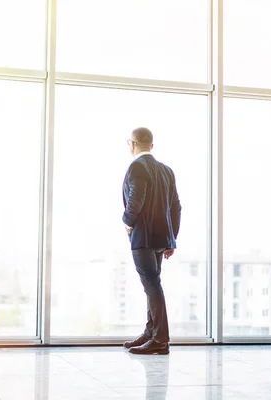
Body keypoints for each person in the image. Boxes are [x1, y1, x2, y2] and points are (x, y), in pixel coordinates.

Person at [122, 127, 181, 355]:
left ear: (133, 144)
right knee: (152, 284)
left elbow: (136, 198)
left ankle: (160, 339)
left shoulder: (137, 166)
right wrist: (171, 238)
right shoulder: (166, 171)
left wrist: (127, 222)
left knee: (152, 286)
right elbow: (176, 206)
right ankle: (150, 332)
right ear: (152, 146)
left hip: (143, 237)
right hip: (161, 237)